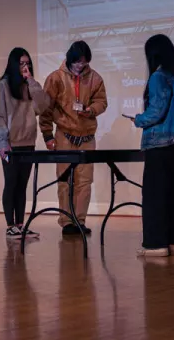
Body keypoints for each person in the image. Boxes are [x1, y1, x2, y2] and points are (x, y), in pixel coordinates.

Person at [130, 34, 174, 257]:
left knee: (154, 195)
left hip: (160, 145)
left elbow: (156, 111)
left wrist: (138, 119)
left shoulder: (158, 77)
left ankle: (155, 244)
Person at [39, 40, 108, 235]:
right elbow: (46, 109)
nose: (80, 66)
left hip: (87, 137)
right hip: (64, 136)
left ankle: (80, 220)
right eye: (77, 62)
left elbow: (102, 101)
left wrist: (91, 110)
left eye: (84, 63)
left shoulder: (95, 78)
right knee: (65, 180)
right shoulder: (55, 78)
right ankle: (66, 221)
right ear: (70, 59)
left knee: (85, 182)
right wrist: (47, 136)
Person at [0, 48, 51, 237]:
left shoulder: (30, 86)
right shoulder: (3, 86)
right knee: (11, 183)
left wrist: (31, 81)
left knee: (23, 185)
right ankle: (10, 226)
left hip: (28, 142)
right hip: (10, 144)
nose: (25, 67)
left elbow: (42, 106)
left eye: (28, 63)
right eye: (22, 63)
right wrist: (2, 142)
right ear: (13, 65)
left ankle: (20, 224)